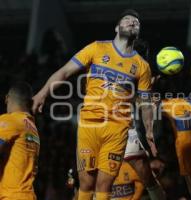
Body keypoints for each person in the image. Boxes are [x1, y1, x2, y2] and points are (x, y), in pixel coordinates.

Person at [32, 9, 154, 200]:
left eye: (136, 22)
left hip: (117, 128)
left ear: (138, 31)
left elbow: (146, 103)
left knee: (104, 185)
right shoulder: (96, 48)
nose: (132, 22)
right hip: (90, 124)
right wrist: (42, 93)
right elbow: (64, 72)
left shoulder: (142, 66)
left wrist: (149, 130)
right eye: (127, 20)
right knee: (86, 182)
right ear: (116, 27)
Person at [0, 82, 40, 200]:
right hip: (27, 195)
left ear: (7, 98)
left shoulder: (11, 120)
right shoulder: (32, 127)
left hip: (11, 196)